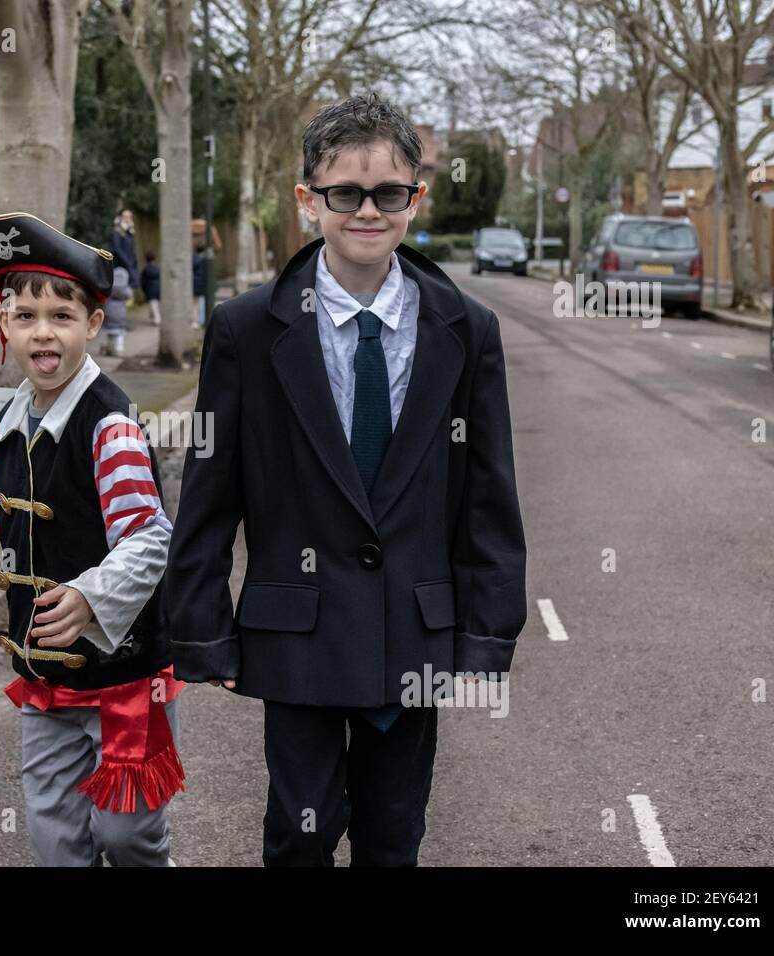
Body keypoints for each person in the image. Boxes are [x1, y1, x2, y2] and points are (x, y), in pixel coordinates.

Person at [163, 93, 527, 866]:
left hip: (417, 637)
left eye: (387, 193)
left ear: (414, 198)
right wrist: (204, 632)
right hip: (296, 634)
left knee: (395, 838)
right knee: (298, 838)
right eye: (345, 194)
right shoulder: (247, 329)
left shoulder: (468, 330)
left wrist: (486, 639)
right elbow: (208, 491)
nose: (367, 210)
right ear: (308, 200)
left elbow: (488, 499)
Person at [0, 212, 184, 866]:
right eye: (25, 316)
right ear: (2, 326)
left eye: (62, 315)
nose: (43, 332)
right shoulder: (14, 420)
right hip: (46, 677)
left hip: (124, 677)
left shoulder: (111, 428)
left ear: (94, 326)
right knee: (55, 840)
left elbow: (150, 539)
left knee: (126, 835)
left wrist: (88, 595)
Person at [101, 263, 131, 357]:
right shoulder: (125, 289)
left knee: (110, 332)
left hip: (109, 312)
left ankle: (110, 347)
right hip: (121, 314)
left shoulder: (109, 288)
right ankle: (119, 348)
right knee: (120, 333)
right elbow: (129, 295)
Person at [109, 208, 140, 293]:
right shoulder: (116, 231)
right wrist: (128, 263)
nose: (128, 219)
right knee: (120, 293)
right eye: (125, 216)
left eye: (130, 217)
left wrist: (133, 263)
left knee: (128, 293)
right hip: (119, 268)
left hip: (129, 267)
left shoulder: (129, 232)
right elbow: (116, 249)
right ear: (120, 218)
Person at [141, 250, 162, 325]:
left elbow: (143, 282)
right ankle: (157, 318)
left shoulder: (145, 270)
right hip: (159, 288)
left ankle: (156, 319)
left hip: (150, 289)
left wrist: (144, 290)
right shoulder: (159, 268)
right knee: (158, 305)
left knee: (153, 305)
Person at [191, 244, 208, 329]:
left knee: (194, 304)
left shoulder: (192, 260)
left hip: (195, 284)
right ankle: (203, 320)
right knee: (203, 303)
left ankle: (195, 321)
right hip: (204, 285)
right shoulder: (206, 260)